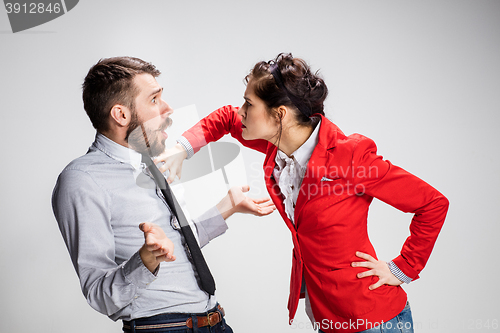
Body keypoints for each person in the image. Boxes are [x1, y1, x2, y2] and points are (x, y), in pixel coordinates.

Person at [157, 53, 449, 333]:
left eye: (248, 104)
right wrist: (182, 149)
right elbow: (223, 118)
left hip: (373, 319)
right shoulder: (278, 142)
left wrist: (402, 269)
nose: (241, 112)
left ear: (279, 115)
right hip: (326, 315)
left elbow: (433, 204)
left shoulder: (351, 158)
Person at [51, 56, 275, 333]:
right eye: (155, 100)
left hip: (214, 321)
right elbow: (99, 293)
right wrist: (145, 259)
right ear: (121, 115)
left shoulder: (150, 163)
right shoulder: (82, 180)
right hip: (164, 328)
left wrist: (227, 207)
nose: (168, 109)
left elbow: (178, 247)